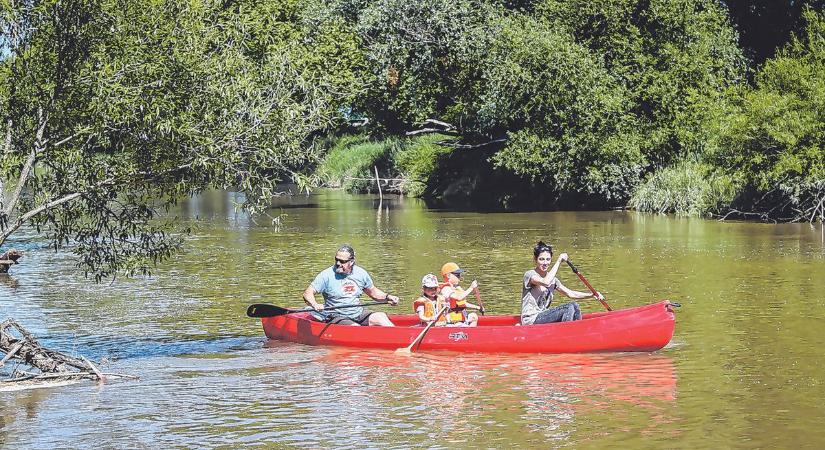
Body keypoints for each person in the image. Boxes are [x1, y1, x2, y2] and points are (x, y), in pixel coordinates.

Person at [302, 244, 399, 326]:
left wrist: (388, 297)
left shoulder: (361, 273)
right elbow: (307, 293)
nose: (338, 263)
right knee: (355, 328)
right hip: (336, 315)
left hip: (358, 312)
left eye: (342, 261)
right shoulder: (326, 275)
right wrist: (315, 304)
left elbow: (373, 292)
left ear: (351, 262)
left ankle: (399, 338)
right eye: (336, 260)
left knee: (381, 316)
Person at [521, 241, 604, 325]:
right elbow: (546, 282)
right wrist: (559, 260)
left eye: (548, 259)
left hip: (543, 317)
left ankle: (577, 331)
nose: (545, 263)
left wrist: (592, 295)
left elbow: (571, 294)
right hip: (531, 319)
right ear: (535, 260)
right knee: (568, 308)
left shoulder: (554, 280)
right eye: (541, 259)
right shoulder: (530, 275)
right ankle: (566, 333)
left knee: (575, 305)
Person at [439, 262, 483, 327]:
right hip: (452, 322)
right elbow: (459, 298)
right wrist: (471, 288)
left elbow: (462, 303)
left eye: (459, 275)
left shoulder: (457, 288)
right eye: (457, 275)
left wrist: (477, 307)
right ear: (448, 275)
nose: (459, 277)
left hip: (461, 318)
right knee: (462, 324)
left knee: (474, 316)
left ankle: (471, 334)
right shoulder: (446, 289)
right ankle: (467, 334)